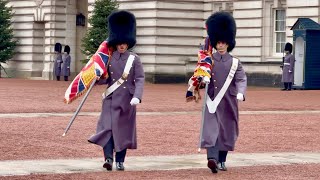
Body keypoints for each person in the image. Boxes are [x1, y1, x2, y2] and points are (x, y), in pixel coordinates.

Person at [187, 12, 247, 173]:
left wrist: (241, 92)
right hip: (211, 100)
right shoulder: (208, 60)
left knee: (225, 131)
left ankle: (221, 160)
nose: (220, 45)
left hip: (228, 101)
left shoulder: (235, 62)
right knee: (211, 129)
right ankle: (211, 159)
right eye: (217, 43)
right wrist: (201, 80)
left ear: (228, 43)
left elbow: (241, 79)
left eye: (222, 43)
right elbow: (197, 76)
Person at [88, 10, 145, 171]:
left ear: (128, 43)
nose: (121, 45)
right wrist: (97, 77)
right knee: (106, 129)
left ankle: (120, 160)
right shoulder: (109, 58)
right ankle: (108, 158)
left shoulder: (134, 59)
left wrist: (137, 96)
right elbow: (106, 79)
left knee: (123, 132)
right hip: (110, 99)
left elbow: (139, 78)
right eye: (119, 43)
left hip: (127, 101)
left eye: (124, 43)